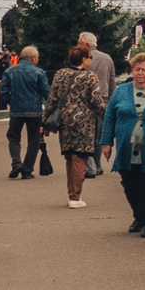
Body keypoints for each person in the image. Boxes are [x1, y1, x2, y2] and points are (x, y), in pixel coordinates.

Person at [105, 51, 145, 234]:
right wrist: (106, 142)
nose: (139, 73)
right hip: (126, 148)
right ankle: (138, 217)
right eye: (136, 69)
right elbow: (109, 117)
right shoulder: (121, 91)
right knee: (130, 185)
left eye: (144, 70)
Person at [43, 41, 102, 209]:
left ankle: (71, 193)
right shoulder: (90, 76)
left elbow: (52, 99)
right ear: (84, 59)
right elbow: (96, 102)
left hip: (65, 121)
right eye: (89, 57)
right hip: (83, 122)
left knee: (70, 156)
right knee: (80, 157)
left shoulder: (60, 74)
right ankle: (75, 196)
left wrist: (45, 122)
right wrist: (109, 117)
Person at [2, 45, 50, 179]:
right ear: (33, 58)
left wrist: (11, 102)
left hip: (16, 111)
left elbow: (3, 91)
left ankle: (16, 162)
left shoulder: (9, 72)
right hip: (34, 111)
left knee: (13, 137)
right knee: (33, 140)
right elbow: (47, 93)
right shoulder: (39, 72)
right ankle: (27, 170)